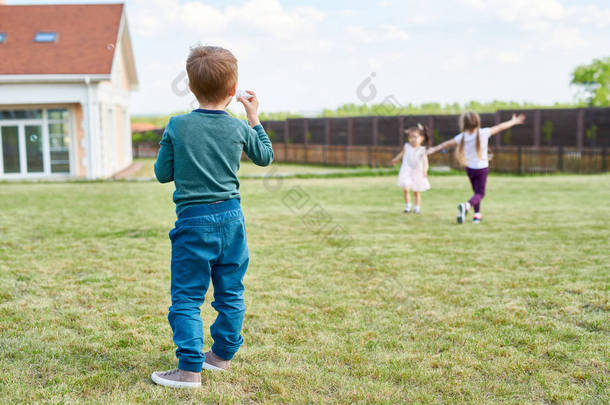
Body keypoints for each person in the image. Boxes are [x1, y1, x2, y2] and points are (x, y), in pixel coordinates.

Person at [151, 45, 274, 388]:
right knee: (230, 292)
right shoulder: (239, 128)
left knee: (188, 297)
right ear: (233, 90)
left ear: (191, 87)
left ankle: (190, 369)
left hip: (193, 222)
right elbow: (265, 157)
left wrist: (170, 142)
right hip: (233, 220)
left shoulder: (177, 125)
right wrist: (254, 117)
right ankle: (220, 356)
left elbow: (163, 174)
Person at [427, 111, 525, 224]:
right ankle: (466, 206)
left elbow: (445, 145)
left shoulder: (462, 137)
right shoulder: (483, 133)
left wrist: (432, 150)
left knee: (476, 192)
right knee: (480, 193)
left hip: (470, 168)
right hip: (482, 168)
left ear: (463, 124)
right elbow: (500, 127)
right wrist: (513, 121)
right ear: (477, 122)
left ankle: (477, 215)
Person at [391, 124, 430, 214]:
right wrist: (396, 159)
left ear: (421, 138)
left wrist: (425, 170)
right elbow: (401, 154)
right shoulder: (407, 146)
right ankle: (408, 206)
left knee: (416, 191)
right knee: (406, 189)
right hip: (406, 171)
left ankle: (417, 207)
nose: (413, 139)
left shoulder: (422, 150)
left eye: (415, 137)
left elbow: (425, 162)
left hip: (417, 172)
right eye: (410, 137)